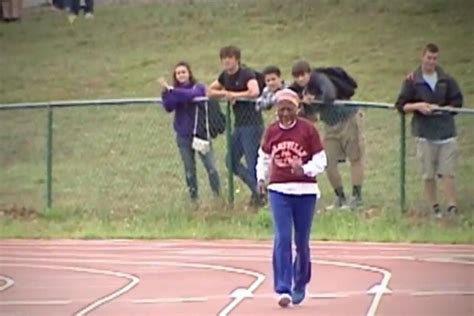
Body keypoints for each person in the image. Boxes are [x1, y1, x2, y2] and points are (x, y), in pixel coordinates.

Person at [256, 89, 327, 307]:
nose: (285, 114)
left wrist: (304, 169)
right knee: (283, 237)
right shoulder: (272, 131)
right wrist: (261, 178)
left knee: (302, 241)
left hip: (305, 191)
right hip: (279, 190)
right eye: (281, 110)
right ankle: (283, 288)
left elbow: (321, 160)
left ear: (298, 109)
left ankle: (300, 283)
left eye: (289, 109)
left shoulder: (308, 130)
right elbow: (264, 157)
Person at [395, 43, 463, 217]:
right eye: (429, 58)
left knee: (447, 171)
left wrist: (443, 109)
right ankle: (434, 206)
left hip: (446, 132)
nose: (431, 62)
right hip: (424, 133)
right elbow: (401, 105)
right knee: (428, 173)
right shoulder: (412, 80)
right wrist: (419, 106)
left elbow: (457, 102)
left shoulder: (446, 79)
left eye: (435, 58)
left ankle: (452, 206)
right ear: (422, 57)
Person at [289, 60, 365, 210]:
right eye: (297, 76)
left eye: (303, 75)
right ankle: (340, 197)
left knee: (355, 157)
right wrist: (299, 100)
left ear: (309, 73)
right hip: (330, 125)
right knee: (328, 162)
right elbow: (288, 93)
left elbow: (329, 94)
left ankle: (357, 197)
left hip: (348, 119)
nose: (300, 79)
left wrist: (314, 99)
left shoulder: (319, 78)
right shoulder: (301, 88)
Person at [207, 45, 264, 207]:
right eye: (224, 58)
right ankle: (257, 190)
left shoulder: (246, 73)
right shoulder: (225, 76)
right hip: (239, 125)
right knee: (230, 161)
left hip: (252, 124)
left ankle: (259, 196)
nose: (227, 61)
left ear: (237, 59)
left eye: (230, 57)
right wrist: (225, 94)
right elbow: (209, 91)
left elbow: (254, 91)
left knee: (252, 161)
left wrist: (236, 95)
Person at [160, 61, 221, 202]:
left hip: (200, 134)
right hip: (183, 136)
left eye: (183, 72)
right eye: (178, 73)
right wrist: (167, 94)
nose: (181, 75)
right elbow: (168, 106)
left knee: (211, 168)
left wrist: (173, 91)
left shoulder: (198, 87)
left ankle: (218, 197)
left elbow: (192, 95)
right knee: (189, 171)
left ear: (189, 73)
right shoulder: (173, 90)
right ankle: (194, 200)